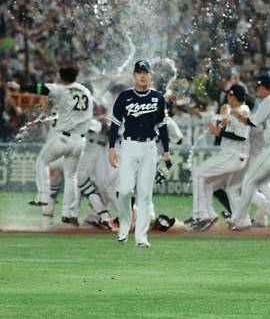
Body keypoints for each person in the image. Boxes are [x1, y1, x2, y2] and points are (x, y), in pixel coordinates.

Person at [6, 65, 93, 224]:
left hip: (63, 138)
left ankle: (43, 196)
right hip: (80, 141)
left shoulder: (60, 89)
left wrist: (19, 87)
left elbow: (40, 88)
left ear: (61, 77)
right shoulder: (85, 91)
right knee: (71, 176)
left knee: (41, 161)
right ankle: (68, 212)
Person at [108, 60, 170, 248]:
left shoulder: (158, 98)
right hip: (128, 146)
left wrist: (166, 151)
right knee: (125, 190)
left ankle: (141, 237)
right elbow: (115, 124)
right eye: (139, 72)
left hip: (149, 147)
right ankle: (124, 226)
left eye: (145, 72)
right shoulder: (125, 97)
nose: (142, 75)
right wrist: (111, 148)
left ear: (150, 75)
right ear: (134, 75)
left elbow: (163, 126)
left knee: (144, 194)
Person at [230, 75, 270, 234]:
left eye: (258, 88)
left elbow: (253, 122)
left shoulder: (269, 100)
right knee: (261, 181)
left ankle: (239, 219)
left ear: (263, 87)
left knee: (249, 179)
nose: (257, 91)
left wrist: (238, 116)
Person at [186, 84, 251, 231]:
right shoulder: (234, 111)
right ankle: (237, 219)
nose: (227, 98)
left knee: (198, 173)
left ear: (233, 96)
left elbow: (241, 136)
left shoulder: (243, 110)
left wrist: (219, 131)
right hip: (232, 155)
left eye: (229, 95)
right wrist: (221, 118)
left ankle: (200, 215)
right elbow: (217, 125)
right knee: (209, 184)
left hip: (233, 155)